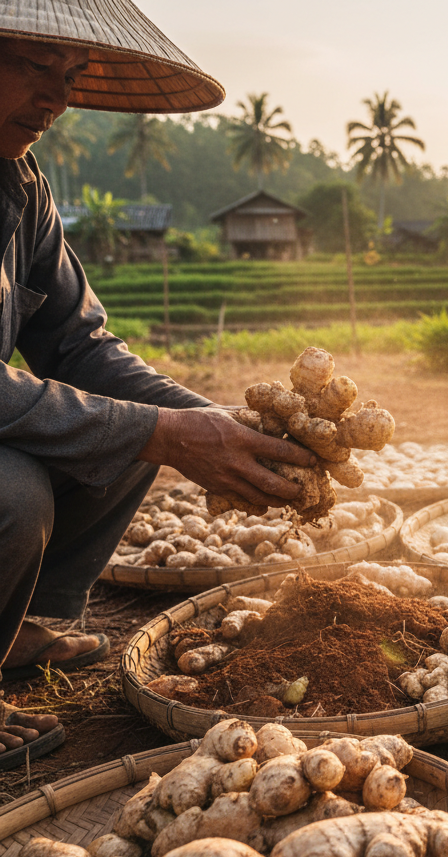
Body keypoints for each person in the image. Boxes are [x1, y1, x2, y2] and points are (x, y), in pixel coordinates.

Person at [0, 1, 314, 687]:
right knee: (13, 493)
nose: (57, 100)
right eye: (36, 66)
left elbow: (79, 344)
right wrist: (164, 432)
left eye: (69, 76)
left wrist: (217, 424)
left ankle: (11, 626)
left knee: (126, 437)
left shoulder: (21, 186)